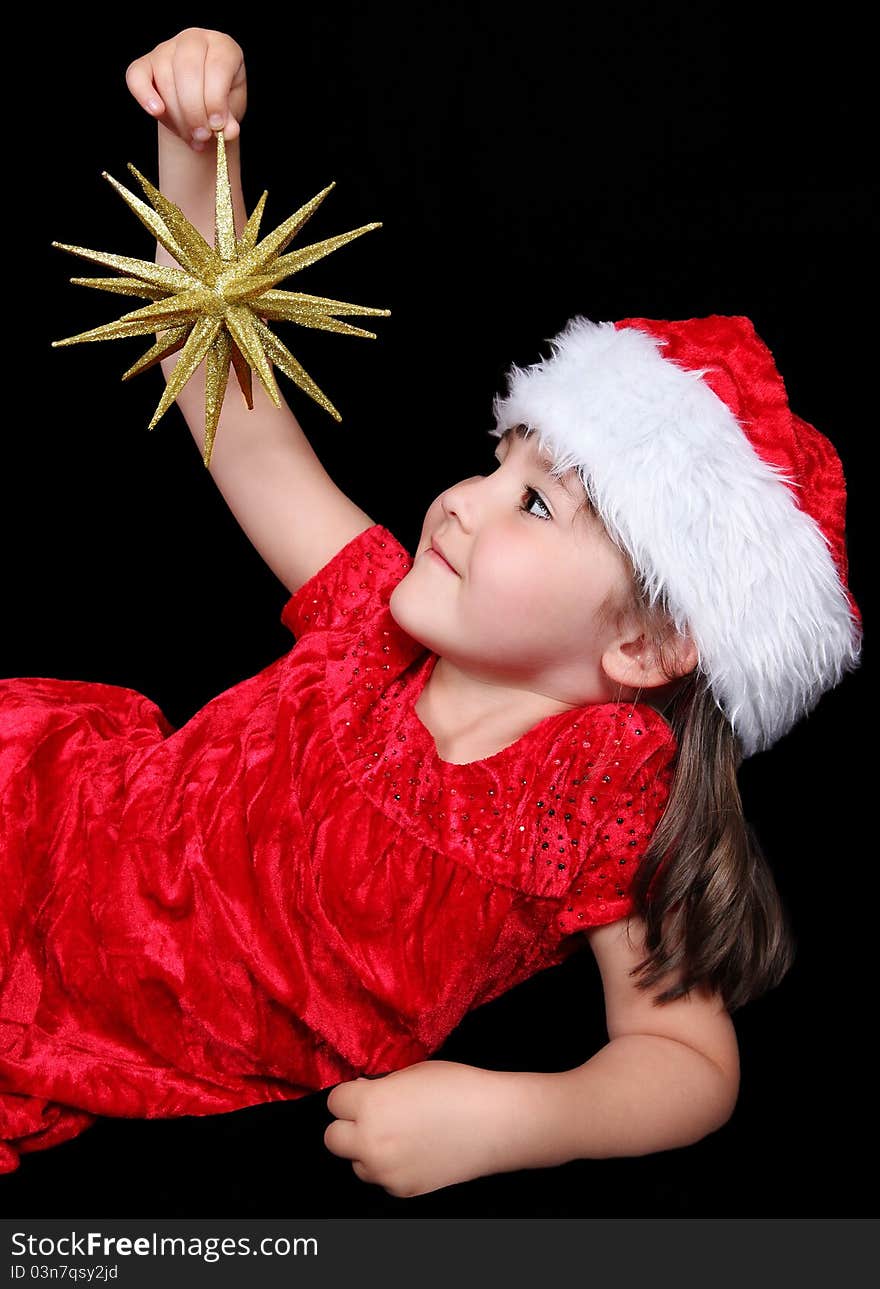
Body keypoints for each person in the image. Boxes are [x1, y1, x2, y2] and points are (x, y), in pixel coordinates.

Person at [0, 28, 861, 1198]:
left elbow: (687, 1060)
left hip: (104, 1032)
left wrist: (519, 1115)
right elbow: (227, 407)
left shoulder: (601, 811)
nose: (460, 502)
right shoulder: (375, 614)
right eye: (493, 464)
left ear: (646, 644)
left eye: (538, 504)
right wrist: (195, 151)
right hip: (44, 822)